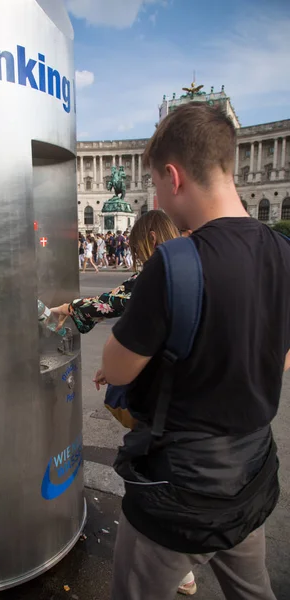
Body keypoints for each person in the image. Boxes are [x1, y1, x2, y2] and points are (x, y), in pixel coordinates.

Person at [98, 102, 290, 600]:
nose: (158, 198)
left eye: (157, 185)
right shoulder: (283, 252)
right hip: (249, 476)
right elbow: (284, 356)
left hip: (178, 491)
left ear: (173, 175)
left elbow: (116, 364)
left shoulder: (175, 261)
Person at [50, 211, 197, 596]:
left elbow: (109, 302)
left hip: (164, 404)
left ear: (145, 242)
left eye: (135, 248)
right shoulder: (195, 268)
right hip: (194, 396)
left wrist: (65, 310)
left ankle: (175, 568)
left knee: (156, 479)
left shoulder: (156, 277)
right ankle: (183, 565)